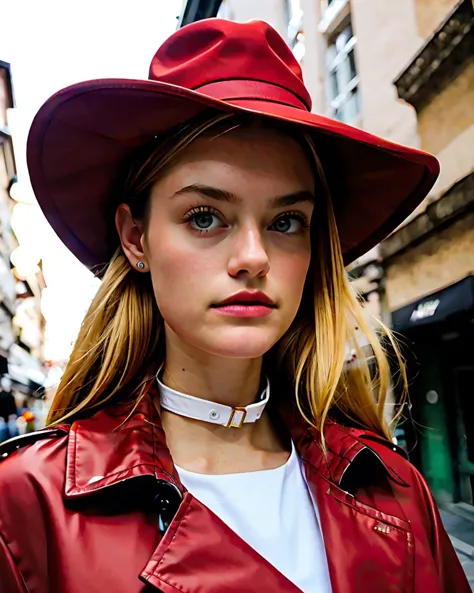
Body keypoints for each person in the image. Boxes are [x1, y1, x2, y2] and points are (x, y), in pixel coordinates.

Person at [0, 18, 469, 593]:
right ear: (136, 238)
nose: (253, 257)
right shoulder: (26, 507)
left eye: (287, 221)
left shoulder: (395, 490)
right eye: (204, 216)